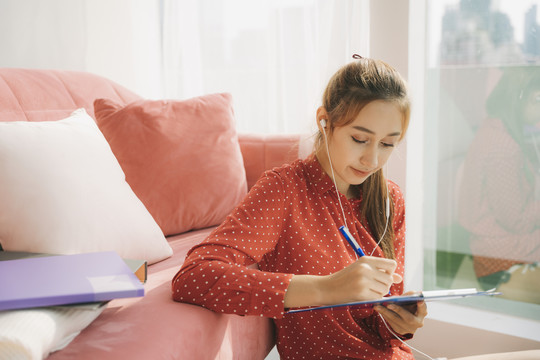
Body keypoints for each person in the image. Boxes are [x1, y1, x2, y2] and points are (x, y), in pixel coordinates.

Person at [172, 56, 427, 359]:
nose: (372, 161)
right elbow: (193, 278)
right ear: (325, 121)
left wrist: (400, 322)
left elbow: (380, 324)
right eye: (360, 139)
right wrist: (326, 289)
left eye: (387, 144)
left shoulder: (390, 200)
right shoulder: (285, 190)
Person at [458, 66, 540, 304]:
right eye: (537, 100)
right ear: (518, 99)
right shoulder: (503, 147)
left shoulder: (495, 128)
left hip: (495, 246)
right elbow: (517, 221)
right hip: (502, 258)